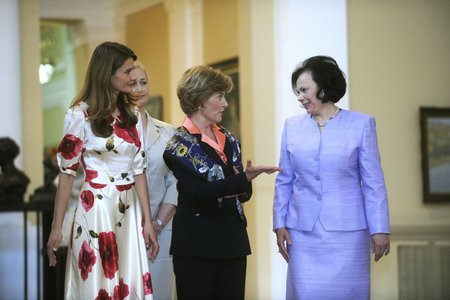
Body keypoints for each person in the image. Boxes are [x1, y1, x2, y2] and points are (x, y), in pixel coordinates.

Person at [46, 41, 158, 300]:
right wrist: (56, 226)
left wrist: (148, 221)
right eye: (127, 72)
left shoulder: (132, 114)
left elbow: (139, 169)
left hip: (130, 210)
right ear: (107, 73)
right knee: (98, 283)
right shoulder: (79, 115)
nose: (133, 77)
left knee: (130, 282)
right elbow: (67, 173)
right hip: (95, 210)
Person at [273, 55, 390, 299]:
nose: (300, 97)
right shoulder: (291, 126)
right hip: (302, 233)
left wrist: (380, 229)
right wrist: (279, 223)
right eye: (297, 91)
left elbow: (373, 183)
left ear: (324, 87)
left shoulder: (361, 124)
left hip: (348, 233)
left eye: (305, 90)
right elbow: (285, 180)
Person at [163, 65, 280, 300]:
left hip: (232, 241)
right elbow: (200, 192)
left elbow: (242, 194)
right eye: (219, 96)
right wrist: (242, 179)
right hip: (196, 245)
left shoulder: (229, 139)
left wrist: (244, 182)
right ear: (199, 100)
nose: (226, 103)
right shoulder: (178, 145)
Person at [132, 61, 178, 300]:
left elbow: (175, 181)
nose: (139, 89)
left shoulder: (168, 132)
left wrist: (158, 223)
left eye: (143, 82)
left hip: (162, 229)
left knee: (159, 293)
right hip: (124, 227)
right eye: (132, 84)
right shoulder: (109, 133)